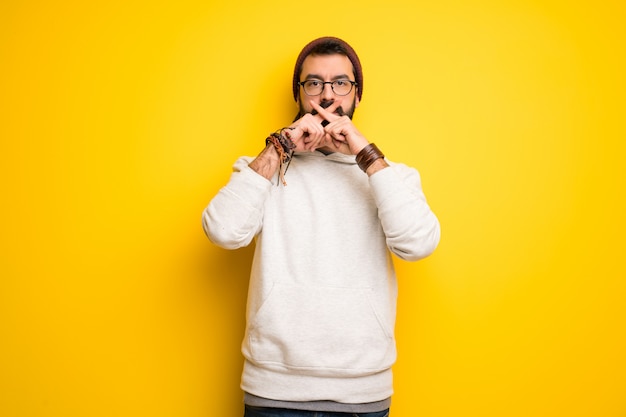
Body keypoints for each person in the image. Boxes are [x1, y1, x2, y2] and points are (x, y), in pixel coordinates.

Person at [202, 36, 440, 417]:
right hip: (273, 390)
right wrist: (280, 146)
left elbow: (418, 243)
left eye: (340, 83)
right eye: (314, 84)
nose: (327, 97)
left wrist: (368, 156)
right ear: (300, 95)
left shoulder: (393, 176)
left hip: (363, 392)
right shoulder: (260, 168)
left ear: (357, 95)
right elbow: (223, 232)